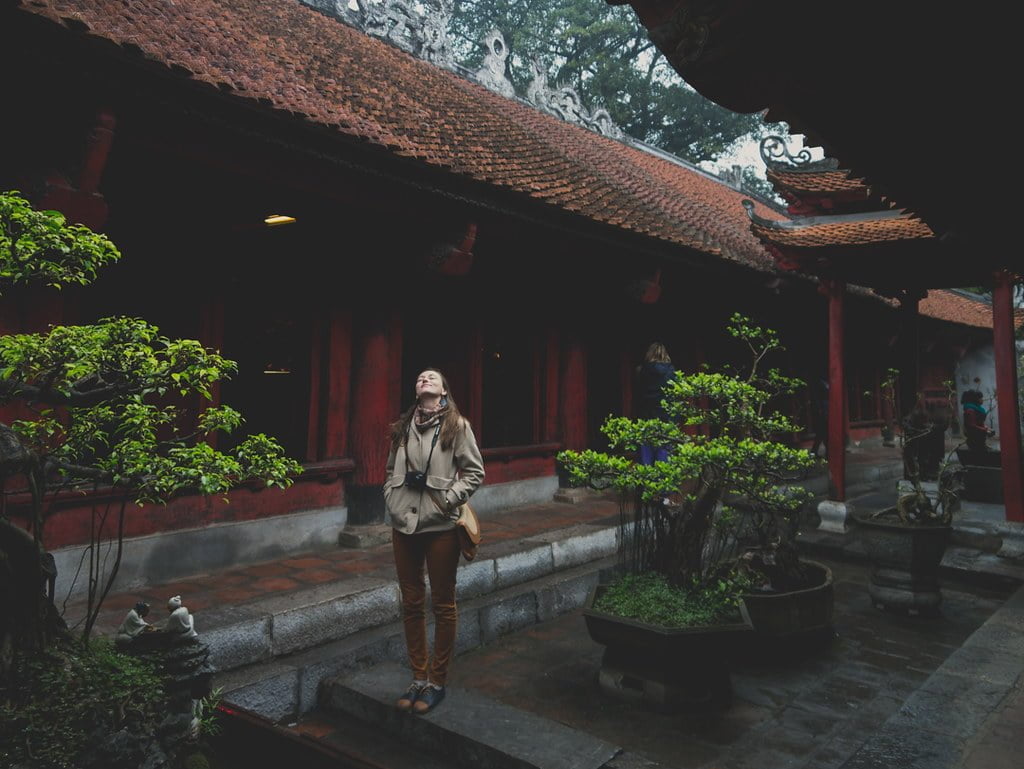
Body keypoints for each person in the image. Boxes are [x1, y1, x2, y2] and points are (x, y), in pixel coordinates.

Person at [384, 368, 485, 714]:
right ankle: (417, 676)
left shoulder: (458, 426)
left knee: (442, 603)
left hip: (440, 524)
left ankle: (436, 680)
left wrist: (448, 499)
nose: (423, 379)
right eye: (419, 377)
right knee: (411, 602)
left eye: (432, 377)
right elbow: (388, 471)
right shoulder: (403, 427)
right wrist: (390, 496)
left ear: (444, 389)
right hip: (404, 524)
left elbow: (475, 472)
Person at [635, 342, 676, 465]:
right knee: (664, 448)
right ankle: (662, 479)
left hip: (645, 415)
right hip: (666, 416)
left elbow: (638, 394)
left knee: (645, 447)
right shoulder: (672, 372)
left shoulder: (640, 370)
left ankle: (646, 479)